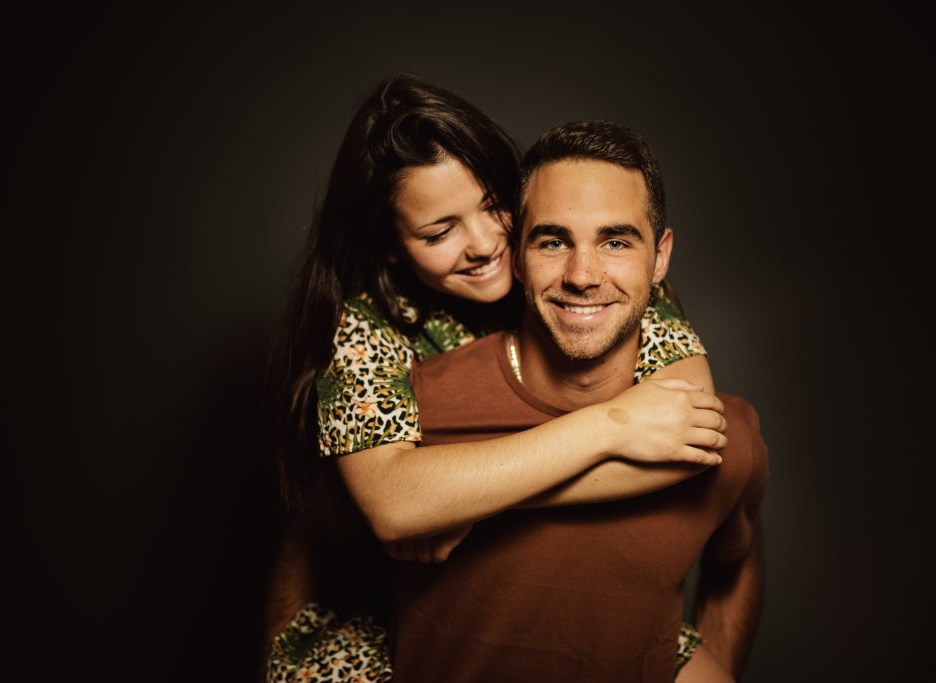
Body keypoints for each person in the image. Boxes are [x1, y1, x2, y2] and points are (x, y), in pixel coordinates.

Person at [265, 75, 727, 682]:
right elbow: (396, 504)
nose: (485, 244)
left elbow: (688, 425)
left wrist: (464, 502)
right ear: (392, 246)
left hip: (562, 588)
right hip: (401, 610)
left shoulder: (585, 276)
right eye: (439, 232)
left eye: (492, 206)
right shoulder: (363, 329)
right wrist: (611, 427)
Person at [390, 120, 769, 682]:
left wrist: (719, 666)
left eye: (616, 242)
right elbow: (311, 557)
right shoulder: (419, 413)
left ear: (660, 258)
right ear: (517, 256)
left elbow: (737, 557)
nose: (583, 275)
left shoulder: (719, 435)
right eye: (553, 241)